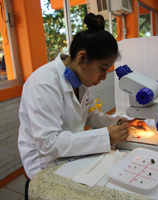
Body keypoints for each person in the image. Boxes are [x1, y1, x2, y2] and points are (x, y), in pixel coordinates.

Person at [18, 13, 149, 180]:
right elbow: (49, 143)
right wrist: (107, 135)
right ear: (82, 58)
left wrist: (119, 122)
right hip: (44, 161)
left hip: (72, 151)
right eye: (103, 68)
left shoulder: (79, 81)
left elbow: (90, 115)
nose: (103, 77)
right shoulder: (44, 83)